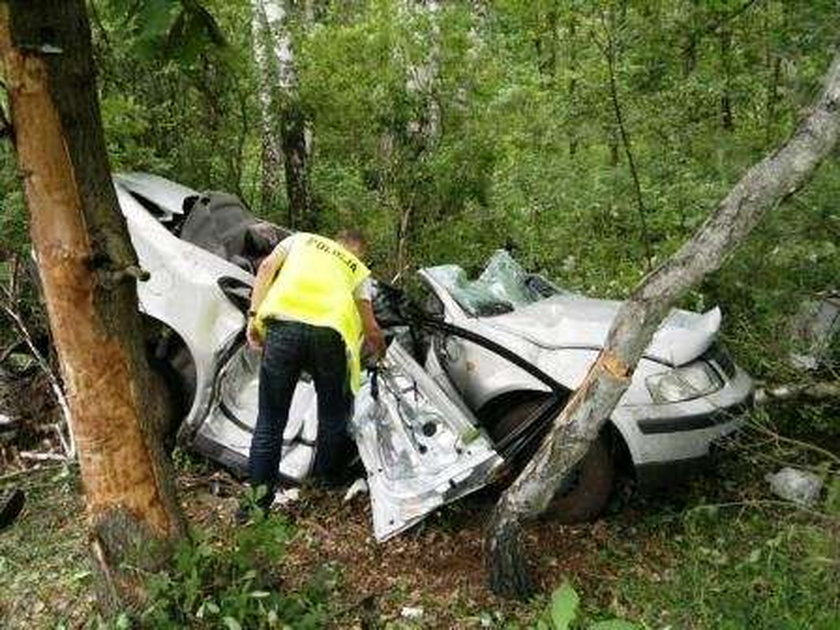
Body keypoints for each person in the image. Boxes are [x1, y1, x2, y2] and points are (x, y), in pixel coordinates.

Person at [242, 229, 385, 514]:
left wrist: (254, 318)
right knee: (332, 416)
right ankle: (323, 486)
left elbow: (267, 267)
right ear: (356, 251)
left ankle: (255, 508)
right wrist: (381, 352)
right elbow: (370, 326)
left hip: (284, 327)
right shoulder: (356, 267)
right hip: (330, 337)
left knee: (270, 420)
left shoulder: (300, 240)